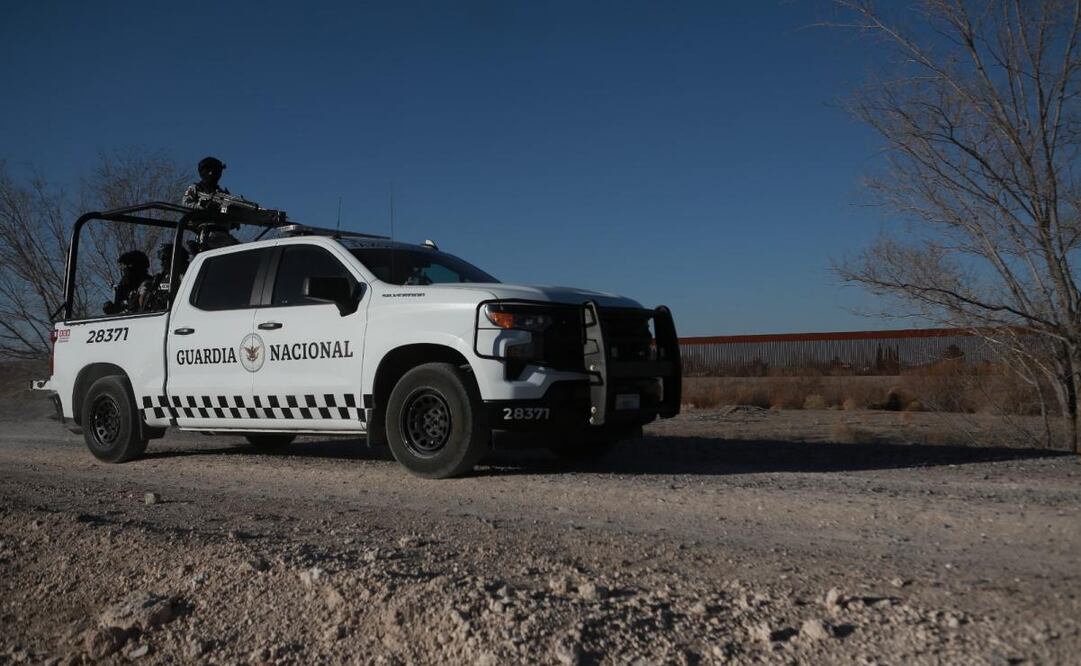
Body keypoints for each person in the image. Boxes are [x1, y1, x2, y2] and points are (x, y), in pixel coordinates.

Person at [138, 242, 190, 311]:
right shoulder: (159, 278)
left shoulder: (186, 275)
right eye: (161, 259)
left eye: (165, 259)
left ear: (174, 258)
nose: (162, 263)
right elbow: (143, 301)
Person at [103, 250, 150, 315]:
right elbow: (118, 311)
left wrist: (136, 302)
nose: (125, 270)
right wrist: (112, 310)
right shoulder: (123, 286)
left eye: (129, 266)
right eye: (124, 267)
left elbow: (144, 309)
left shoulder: (148, 284)